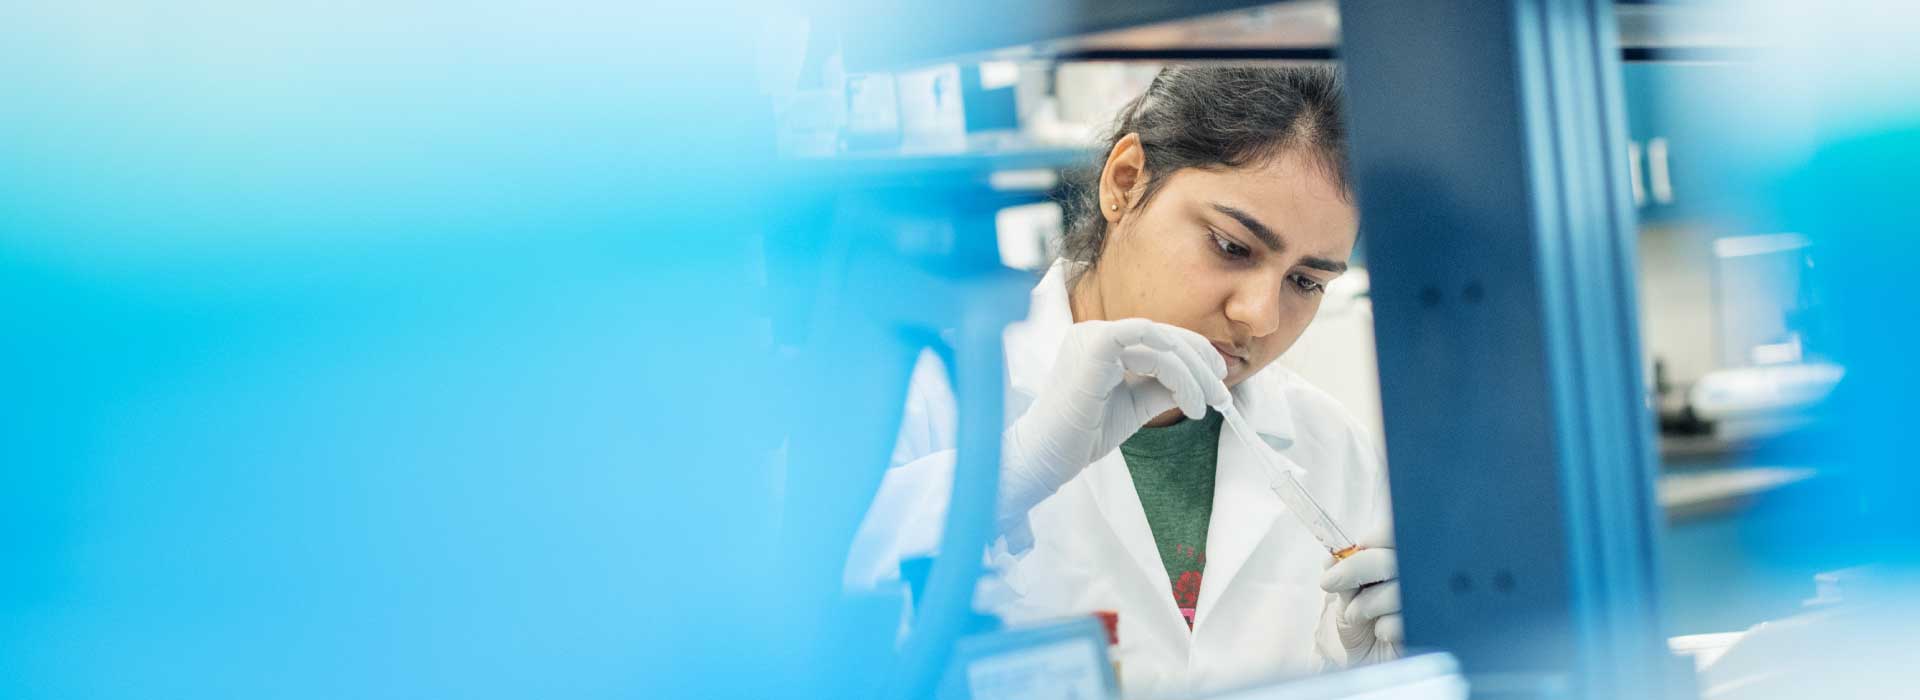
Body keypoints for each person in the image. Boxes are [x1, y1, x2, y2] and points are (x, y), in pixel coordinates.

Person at [845, 65, 1401, 697]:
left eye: (1306, 282)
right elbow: (807, 617)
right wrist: (1009, 473)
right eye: (1230, 246)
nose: (1261, 315)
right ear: (1126, 181)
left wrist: (1373, 673)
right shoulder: (934, 395)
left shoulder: (1337, 450)